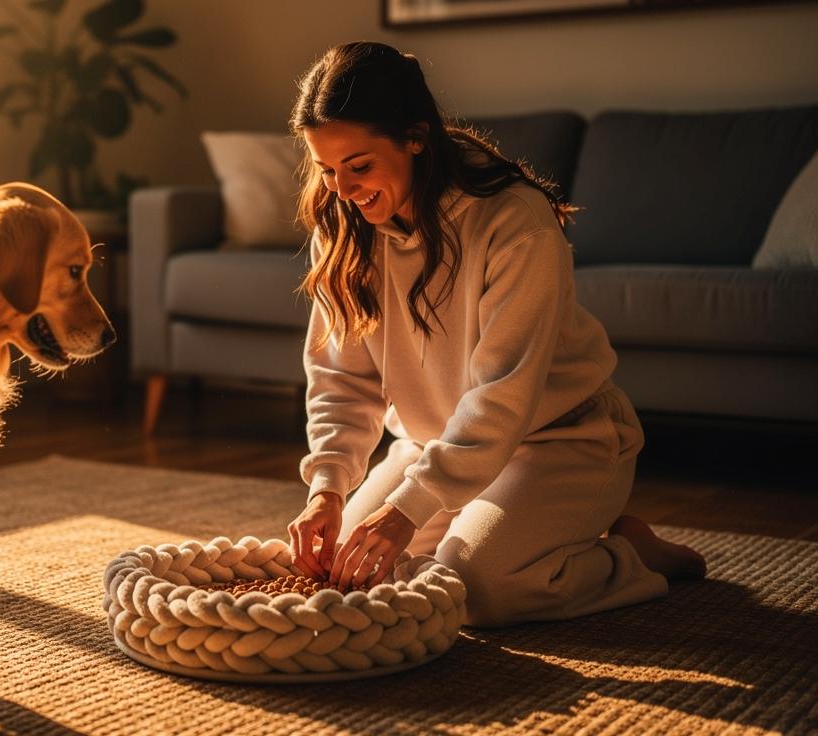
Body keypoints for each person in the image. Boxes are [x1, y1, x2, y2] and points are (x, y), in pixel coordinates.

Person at [286, 41, 705, 627]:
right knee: (347, 574)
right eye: (327, 170)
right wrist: (327, 488)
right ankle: (496, 536)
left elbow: (501, 397)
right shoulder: (345, 224)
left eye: (358, 166)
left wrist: (409, 510)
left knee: (477, 588)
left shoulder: (515, 221)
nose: (344, 189)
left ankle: (625, 555)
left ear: (416, 137)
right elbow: (342, 378)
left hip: (561, 439)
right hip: (433, 446)